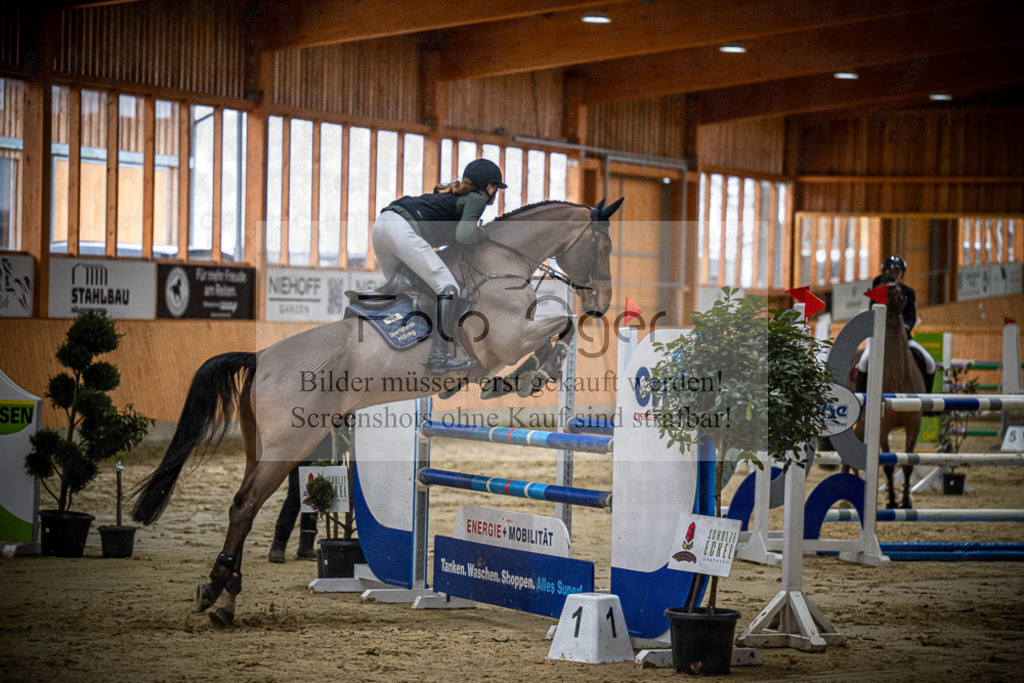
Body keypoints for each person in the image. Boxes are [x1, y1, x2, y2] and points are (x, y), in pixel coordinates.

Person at [371, 158, 506, 375]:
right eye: (496, 188)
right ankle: (438, 356)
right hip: (401, 229)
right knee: (448, 289)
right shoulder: (475, 200)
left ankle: (395, 348)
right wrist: (483, 234)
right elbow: (465, 235)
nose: (495, 193)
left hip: (382, 227)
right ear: (489, 187)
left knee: (407, 293)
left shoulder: (455, 196)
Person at [856, 255, 935, 392]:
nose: (893, 274)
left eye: (896, 271)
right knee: (863, 362)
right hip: (880, 338)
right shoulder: (877, 291)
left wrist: (905, 328)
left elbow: (911, 316)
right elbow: (872, 313)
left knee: (930, 362)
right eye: (890, 271)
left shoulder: (908, 292)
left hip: (904, 338)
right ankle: (860, 399)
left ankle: (927, 401)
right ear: (885, 273)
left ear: (901, 273)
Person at [268, 436, 331, 563]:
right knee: (296, 493)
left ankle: (306, 546)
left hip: (324, 441)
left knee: (315, 491)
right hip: (301, 440)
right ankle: (278, 544)